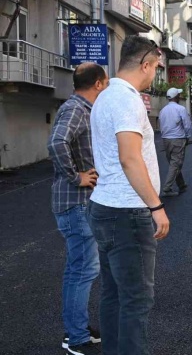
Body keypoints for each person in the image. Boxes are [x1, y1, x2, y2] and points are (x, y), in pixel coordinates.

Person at [88, 36, 170, 355]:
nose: (156, 75)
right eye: (156, 68)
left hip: (106, 207)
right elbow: (130, 158)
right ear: (145, 64)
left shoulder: (105, 94)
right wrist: (156, 206)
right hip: (127, 213)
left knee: (114, 295)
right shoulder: (127, 99)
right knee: (136, 300)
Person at [47, 62, 108, 355]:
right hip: (74, 202)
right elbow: (57, 142)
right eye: (105, 81)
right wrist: (76, 176)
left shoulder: (84, 109)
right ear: (98, 83)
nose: (106, 86)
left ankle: (78, 327)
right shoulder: (75, 108)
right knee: (82, 269)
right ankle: (74, 335)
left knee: (82, 268)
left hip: (80, 203)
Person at [158, 87, 192, 197]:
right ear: (176, 97)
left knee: (174, 163)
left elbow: (160, 125)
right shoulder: (180, 109)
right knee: (176, 164)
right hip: (178, 139)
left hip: (165, 139)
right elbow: (187, 125)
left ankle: (182, 184)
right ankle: (167, 188)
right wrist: (187, 136)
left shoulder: (163, 110)